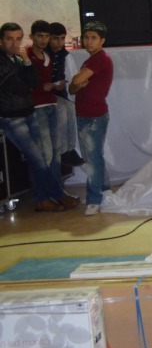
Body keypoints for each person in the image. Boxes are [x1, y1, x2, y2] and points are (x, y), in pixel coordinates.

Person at [0, 22, 66, 211]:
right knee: (38, 159)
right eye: (9, 39)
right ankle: (58, 194)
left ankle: (42, 199)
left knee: (40, 158)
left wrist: (27, 62)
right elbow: (20, 86)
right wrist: (29, 82)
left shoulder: (18, 58)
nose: (14, 43)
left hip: (28, 111)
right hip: (11, 117)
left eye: (18, 39)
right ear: (1, 40)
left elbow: (34, 82)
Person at [26, 20, 78, 209]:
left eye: (46, 36)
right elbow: (27, 83)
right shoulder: (27, 56)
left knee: (55, 155)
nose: (44, 40)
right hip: (36, 108)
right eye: (40, 36)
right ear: (32, 37)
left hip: (50, 104)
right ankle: (45, 197)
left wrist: (52, 86)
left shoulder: (48, 56)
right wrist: (45, 87)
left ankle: (55, 193)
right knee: (44, 156)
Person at [69, 21, 114, 216]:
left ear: (102, 40)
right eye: (86, 37)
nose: (89, 41)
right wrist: (76, 84)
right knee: (93, 157)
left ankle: (94, 199)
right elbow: (72, 88)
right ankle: (104, 190)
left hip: (94, 116)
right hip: (85, 113)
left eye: (93, 38)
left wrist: (77, 82)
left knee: (93, 159)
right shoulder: (90, 60)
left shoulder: (100, 59)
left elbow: (76, 81)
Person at [46, 22, 83, 168]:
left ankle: (70, 148)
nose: (60, 42)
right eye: (56, 38)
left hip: (59, 94)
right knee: (61, 109)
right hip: (44, 94)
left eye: (62, 38)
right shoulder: (43, 54)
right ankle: (62, 150)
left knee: (70, 108)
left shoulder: (65, 56)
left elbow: (71, 77)